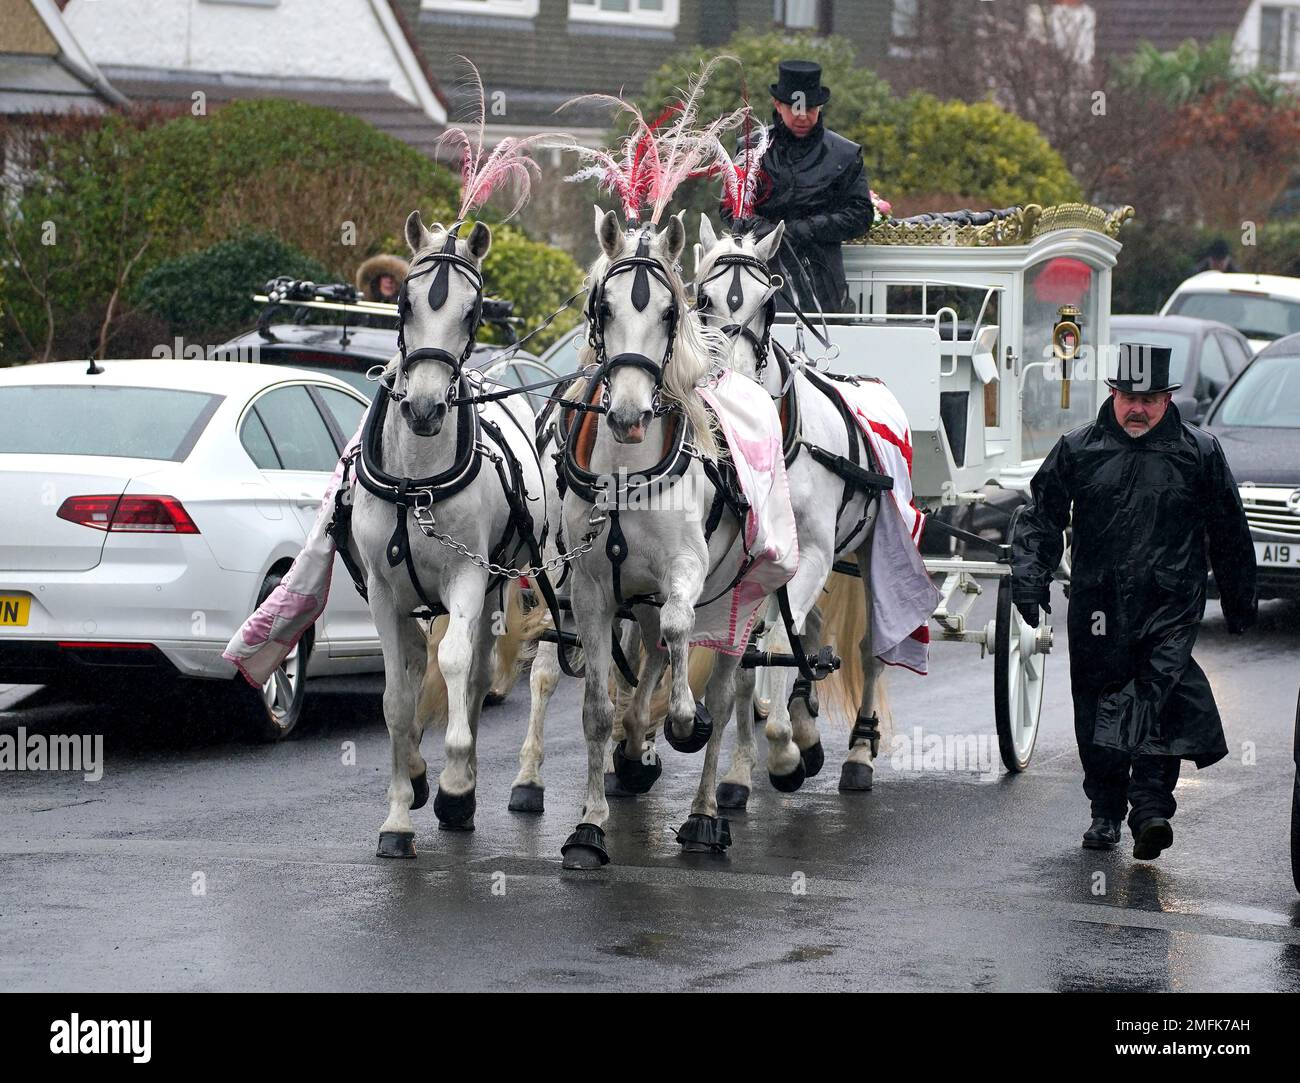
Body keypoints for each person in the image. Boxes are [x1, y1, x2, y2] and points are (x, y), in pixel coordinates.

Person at [1011, 343, 1257, 860]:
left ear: (1168, 399)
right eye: (1127, 396)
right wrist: (1029, 579)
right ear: (1112, 394)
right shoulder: (1078, 449)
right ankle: (1105, 810)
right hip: (1099, 606)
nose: (1137, 408)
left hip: (1170, 604)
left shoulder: (1200, 453)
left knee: (1156, 699)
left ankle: (1150, 809)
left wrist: (1239, 602)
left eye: (1148, 398)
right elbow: (1041, 517)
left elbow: (1229, 531)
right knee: (1098, 704)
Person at [719, 59, 873, 313]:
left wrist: (806, 229)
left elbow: (861, 214)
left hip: (821, 273)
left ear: (820, 107)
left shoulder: (845, 154)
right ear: (778, 105)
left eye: (810, 108)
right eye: (794, 108)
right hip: (759, 263)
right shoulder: (751, 147)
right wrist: (770, 231)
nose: (802, 116)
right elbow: (730, 207)